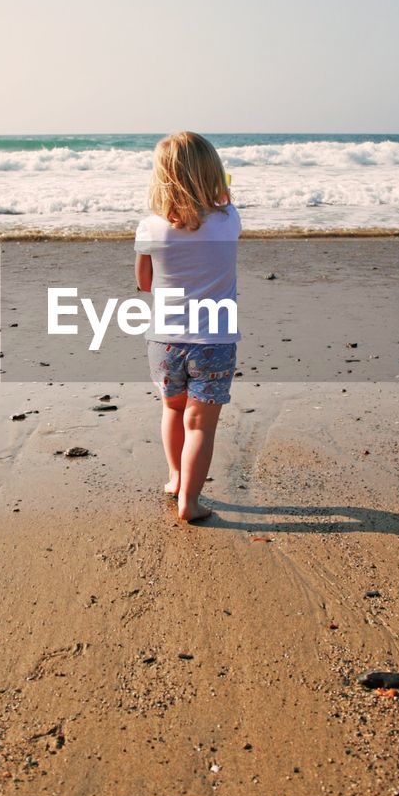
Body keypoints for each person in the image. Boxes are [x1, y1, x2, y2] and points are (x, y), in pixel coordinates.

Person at [134, 132, 241, 523]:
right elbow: (225, 197)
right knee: (200, 425)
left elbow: (145, 284)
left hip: (164, 341)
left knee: (172, 410)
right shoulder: (228, 220)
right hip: (213, 341)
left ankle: (175, 478)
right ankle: (190, 504)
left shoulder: (150, 228)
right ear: (213, 175)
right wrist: (221, 185)